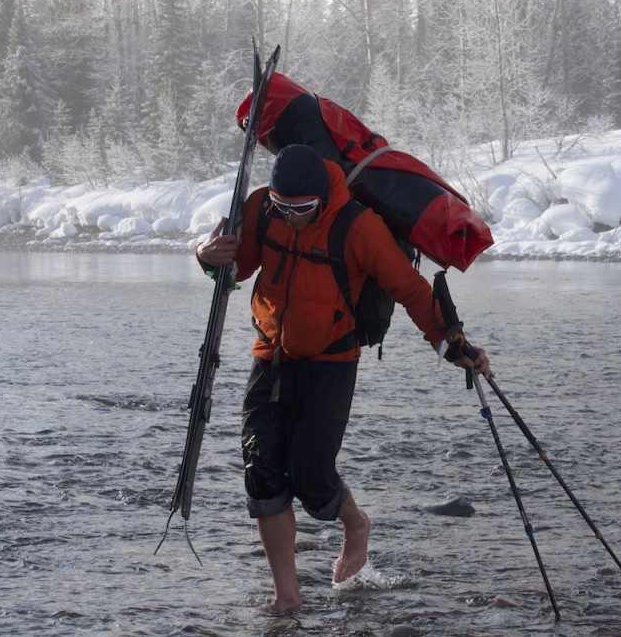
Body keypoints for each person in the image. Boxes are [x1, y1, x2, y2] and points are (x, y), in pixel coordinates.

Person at [196, 143, 491, 615]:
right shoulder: (261, 210)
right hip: (270, 355)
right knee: (263, 474)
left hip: (331, 361)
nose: (290, 217)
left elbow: (412, 292)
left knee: (312, 478)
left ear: (321, 197)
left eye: (302, 209)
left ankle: (355, 525)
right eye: (281, 206)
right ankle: (287, 597)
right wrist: (207, 256)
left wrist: (453, 346)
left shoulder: (358, 228)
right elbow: (234, 271)